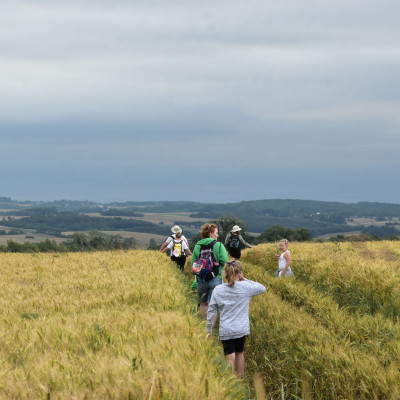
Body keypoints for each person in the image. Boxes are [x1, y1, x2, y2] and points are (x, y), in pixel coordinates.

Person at [207, 260, 265, 379]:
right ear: (239, 273)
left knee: (230, 356)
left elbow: (211, 310)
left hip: (226, 329)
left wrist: (209, 329)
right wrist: (245, 279)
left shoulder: (218, 289)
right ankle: (239, 380)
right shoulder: (246, 287)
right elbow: (262, 288)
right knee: (240, 353)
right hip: (241, 328)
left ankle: (229, 383)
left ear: (225, 273)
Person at [191, 223, 228, 320]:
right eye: (216, 233)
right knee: (213, 305)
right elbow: (224, 259)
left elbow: (194, 264)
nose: (218, 235)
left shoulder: (198, 245)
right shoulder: (218, 245)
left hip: (201, 279)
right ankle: (210, 330)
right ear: (211, 234)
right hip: (216, 278)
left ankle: (203, 326)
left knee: (203, 303)